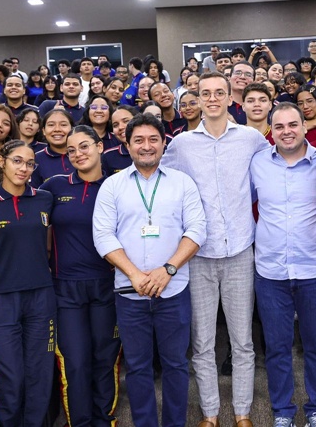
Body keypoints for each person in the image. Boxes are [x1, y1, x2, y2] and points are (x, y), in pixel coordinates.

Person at [161, 72, 269, 427]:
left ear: (228, 97)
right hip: (198, 255)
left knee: (242, 342)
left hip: (240, 251)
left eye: (218, 92)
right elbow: (159, 180)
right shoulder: (182, 144)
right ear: (197, 99)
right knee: (203, 343)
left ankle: (242, 413)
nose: (211, 98)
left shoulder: (251, 138)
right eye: (205, 93)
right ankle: (210, 414)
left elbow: (281, 164)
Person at [94, 113, 206, 427]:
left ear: (163, 143)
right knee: (137, 366)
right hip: (130, 293)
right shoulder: (113, 186)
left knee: (176, 365)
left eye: (153, 139)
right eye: (139, 140)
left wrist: (167, 269)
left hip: (174, 291)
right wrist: (134, 274)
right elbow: (103, 235)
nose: (147, 146)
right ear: (127, 145)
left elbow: (197, 229)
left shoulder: (182, 182)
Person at [250, 103, 316, 427]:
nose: (287, 131)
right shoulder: (257, 163)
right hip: (270, 272)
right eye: (279, 126)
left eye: (293, 124)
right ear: (271, 131)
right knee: (276, 348)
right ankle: (283, 412)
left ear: (304, 126)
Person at [0, 140, 56, 427]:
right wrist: (5, 261)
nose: (24, 168)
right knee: (8, 374)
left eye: (30, 163)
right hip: (0, 297)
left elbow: (47, 246)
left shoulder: (45, 199)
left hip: (41, 295)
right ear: (1, 161)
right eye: (17, 161)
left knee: (39, 372)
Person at [40, 126, 122, 427]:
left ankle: (104, 420)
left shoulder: (117, 186)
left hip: (107, 286)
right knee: (74, 362)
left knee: (104, 358)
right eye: (71, 150)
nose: (77, 154)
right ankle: (80, 422)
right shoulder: (54, 186)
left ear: (100, 147)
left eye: (84, 146)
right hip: (66, 289)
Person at [32, 109, 75, 187]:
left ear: (72, 129)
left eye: (63, 125)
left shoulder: (82, 155)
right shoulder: (35, 159)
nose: (57, 129)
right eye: (51, 125)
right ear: (43, 131)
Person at [101, 105, 139, 175]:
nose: (120, 127)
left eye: (126, 121)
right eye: (115, 125)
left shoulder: (154, 149)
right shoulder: (108, 156)